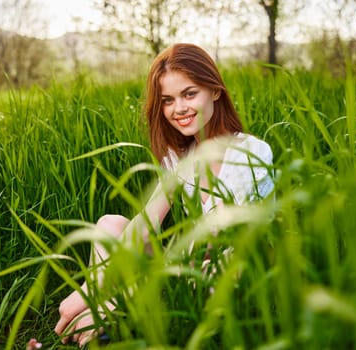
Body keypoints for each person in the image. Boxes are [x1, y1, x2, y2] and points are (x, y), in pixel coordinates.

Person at [54, 42, 274, 346]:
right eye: (168, 100)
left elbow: (217, 239)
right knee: (110, 224)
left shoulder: (252, 151)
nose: (178, 109)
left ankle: (104, 318)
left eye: (189, 94)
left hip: (233, 271)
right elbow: (144, 225)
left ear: (215, 91)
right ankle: (101, 326)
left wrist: (93, 292)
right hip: (187, 267)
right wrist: (93, 288)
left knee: (210, 271)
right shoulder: (180, 157)